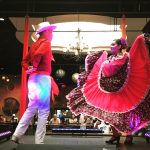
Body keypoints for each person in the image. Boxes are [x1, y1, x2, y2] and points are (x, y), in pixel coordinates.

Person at [66, 20, 150, 145]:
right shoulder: (111, 58)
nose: (111, 46)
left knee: (126, 114)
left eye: (113, 44)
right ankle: (115, 135)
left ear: (120, 46)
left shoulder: (125, 56)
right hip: (111, 91)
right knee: (111, 114)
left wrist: (105, 62)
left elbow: (115, 67)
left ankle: (128, 136)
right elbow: (107, 70)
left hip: (123, 90)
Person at [11, 21, 59, 144]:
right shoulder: (46, 42)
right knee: (43, 110)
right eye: (51, 31)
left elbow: (24, 61)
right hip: (42, 78)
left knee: (31, 108)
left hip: (32, 79)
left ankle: (16, 135)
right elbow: (39, 54)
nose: (52, 34)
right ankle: (39, 141)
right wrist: (35, 66)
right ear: (47, 32)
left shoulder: (34, 45)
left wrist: (30, 68)